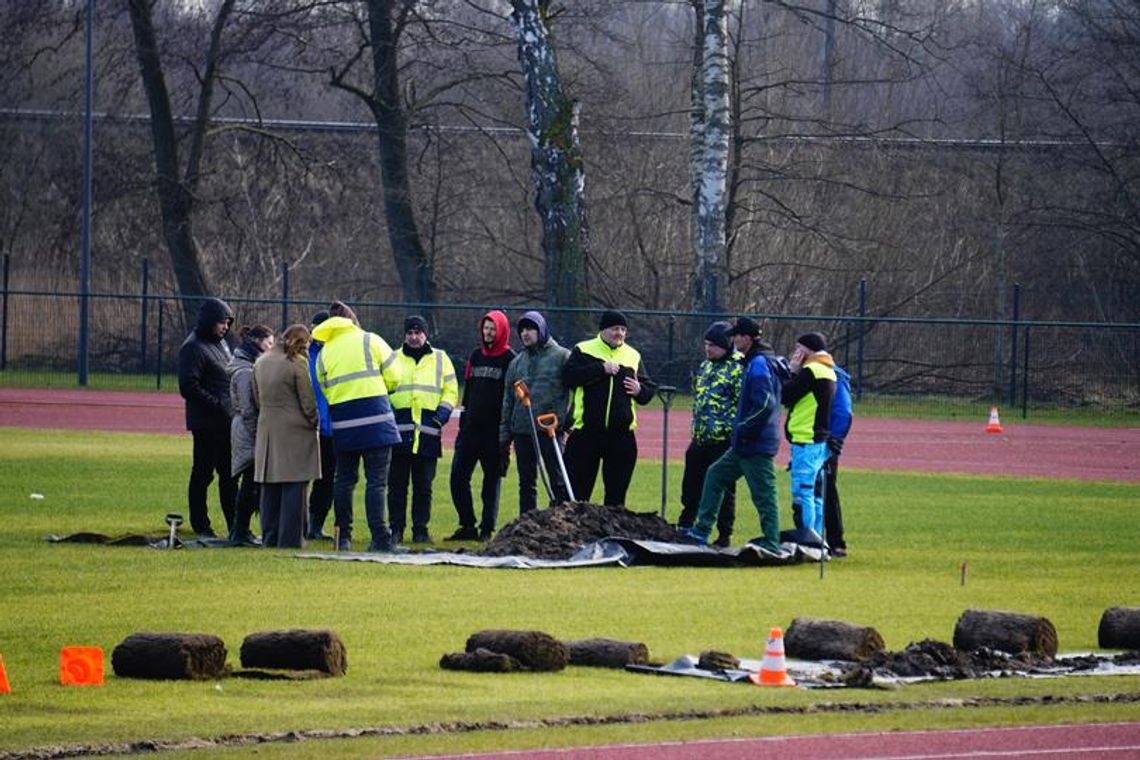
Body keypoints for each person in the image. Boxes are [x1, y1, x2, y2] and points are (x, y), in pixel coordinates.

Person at [682, 317, 788, 553]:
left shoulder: (759, 364)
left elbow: (764, 405)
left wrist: (743, 428)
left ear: (747, 338)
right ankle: (701, 532)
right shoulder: (754, 361)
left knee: (764, 494)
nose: (733, 339)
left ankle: (772, 542)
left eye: (736, 335)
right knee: (714, 475)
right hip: (742, 443)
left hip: (756, 443)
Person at [312, 301, 403, 552]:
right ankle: (380, 538)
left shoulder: (324, 353)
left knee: (343, 481)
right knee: (376, 482)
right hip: (376, 421)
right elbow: (395, 375)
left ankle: (342, 537)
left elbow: (324, 388)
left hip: (344, 423)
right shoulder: (369, 340)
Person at [562, 310, 655, 506]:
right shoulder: (583, 349)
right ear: (603, 330)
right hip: (586, 434)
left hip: (621, 437)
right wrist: (600, 369)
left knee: (616, 498)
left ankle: (611, 535)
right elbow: (568, 377)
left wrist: (640, 390)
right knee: (577, 496)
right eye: (615, 329)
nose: (619, 333)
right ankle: (577, 535)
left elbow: (647, 393)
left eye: (623, 329)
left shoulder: (633, 355)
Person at [384, 315, 459, 544]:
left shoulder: (441, 358)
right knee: (396, 487)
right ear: (405, 335)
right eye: (410, 333)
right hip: (399, 432)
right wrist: (391, 415)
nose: (414, 337)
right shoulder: (393, 358)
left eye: (418, 332)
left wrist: (441, 416)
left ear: (425, 334)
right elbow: (383, 389)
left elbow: (451, 390)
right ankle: (396, 529)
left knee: (423, 486)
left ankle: (420, 529)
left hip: (428, 431)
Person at [447, 310, 515, 541]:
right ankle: (467, 525)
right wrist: (463, 426)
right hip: (471, 431)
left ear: (502, 330)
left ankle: (486, 530)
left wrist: (506, 435)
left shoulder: (509, 359)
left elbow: (512, 398)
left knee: (491, 482)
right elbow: (468, 392)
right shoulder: (475, 356)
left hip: (494, 433)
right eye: (486, 327)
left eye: (493, 328)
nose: (488, 332)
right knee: (457, 478)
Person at [252, 324, 321, 548]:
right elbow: (307, 401)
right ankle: (290, 539)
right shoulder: (297, 363)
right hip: (295, 430)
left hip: (267, 427)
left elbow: (255, 398)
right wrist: (314, 422)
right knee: (295, 487)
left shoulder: (260, 361)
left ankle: (269, 536)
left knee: (269, 486)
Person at [677, 321, 743, 548]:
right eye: (706, 344)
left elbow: (741, 404)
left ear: (725, 345)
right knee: (691, 484)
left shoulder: (739, 367)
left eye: (713, 345)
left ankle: (724, 534)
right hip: (700, 437)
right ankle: (686, 524)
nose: (708, 349)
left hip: (723, 441)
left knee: (723, 489)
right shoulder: (705, 366)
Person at [499, 310, 572, 514]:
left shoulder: (562, 356)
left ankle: (562, 522)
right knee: (526, 483)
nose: (525, 333)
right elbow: (508, 401)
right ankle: (527, 524)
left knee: (558, 480)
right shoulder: (516, 363)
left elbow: (578, 391)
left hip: (549, 430)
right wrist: (505, 436)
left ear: (541, 330)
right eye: (522, 329)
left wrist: (567, 421)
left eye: (530, 328)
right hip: (522, 430)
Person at [177, 297, 238, 539]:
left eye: (227, 323)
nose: (225, 327)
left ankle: (235, 525)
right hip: (207, 424)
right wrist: (218, 405)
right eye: (221, 323)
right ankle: (201, 525)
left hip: (225, 422)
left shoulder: (220, 344)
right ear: (209, 322)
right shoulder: (193, 347)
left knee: (230, 475)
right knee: (203, 474)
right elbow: (188, 386)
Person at [782, 331, 837, 546]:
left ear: (807, 350)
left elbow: (785, 395)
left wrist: (792, 372)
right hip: (820, 440)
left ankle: (807, 540)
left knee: (803, 493)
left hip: (806, 439)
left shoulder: (811, 371)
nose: (796, 354)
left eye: (798, 349)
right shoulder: (829, 370)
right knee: (816, 494)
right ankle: (817, 537)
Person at [227, 324, 274, 546]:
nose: (271, 348)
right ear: (258, 342)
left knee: (252, 482)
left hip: (246, 428)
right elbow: (247, 408)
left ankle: (241, 530)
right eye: (269, 343)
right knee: (249, 483)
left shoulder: (247, 365)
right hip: (248, 431)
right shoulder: (246, 370)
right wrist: (259, 434)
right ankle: (239, 531)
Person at [306, 310, 336, 541]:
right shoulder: (304, 355)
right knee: (300, 477)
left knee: (327, 479)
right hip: (308, 426)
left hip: (331, 428)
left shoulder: (337, 354)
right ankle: (299, 522)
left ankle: (316, 524)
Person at [820, 362, 853, 557]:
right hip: (809, 441)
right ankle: (815, 538)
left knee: (826, 492)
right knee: (814, 493)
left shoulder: (834, 377)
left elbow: (843, 412)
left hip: (824, 444)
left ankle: (835, 542)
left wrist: (834, 440)